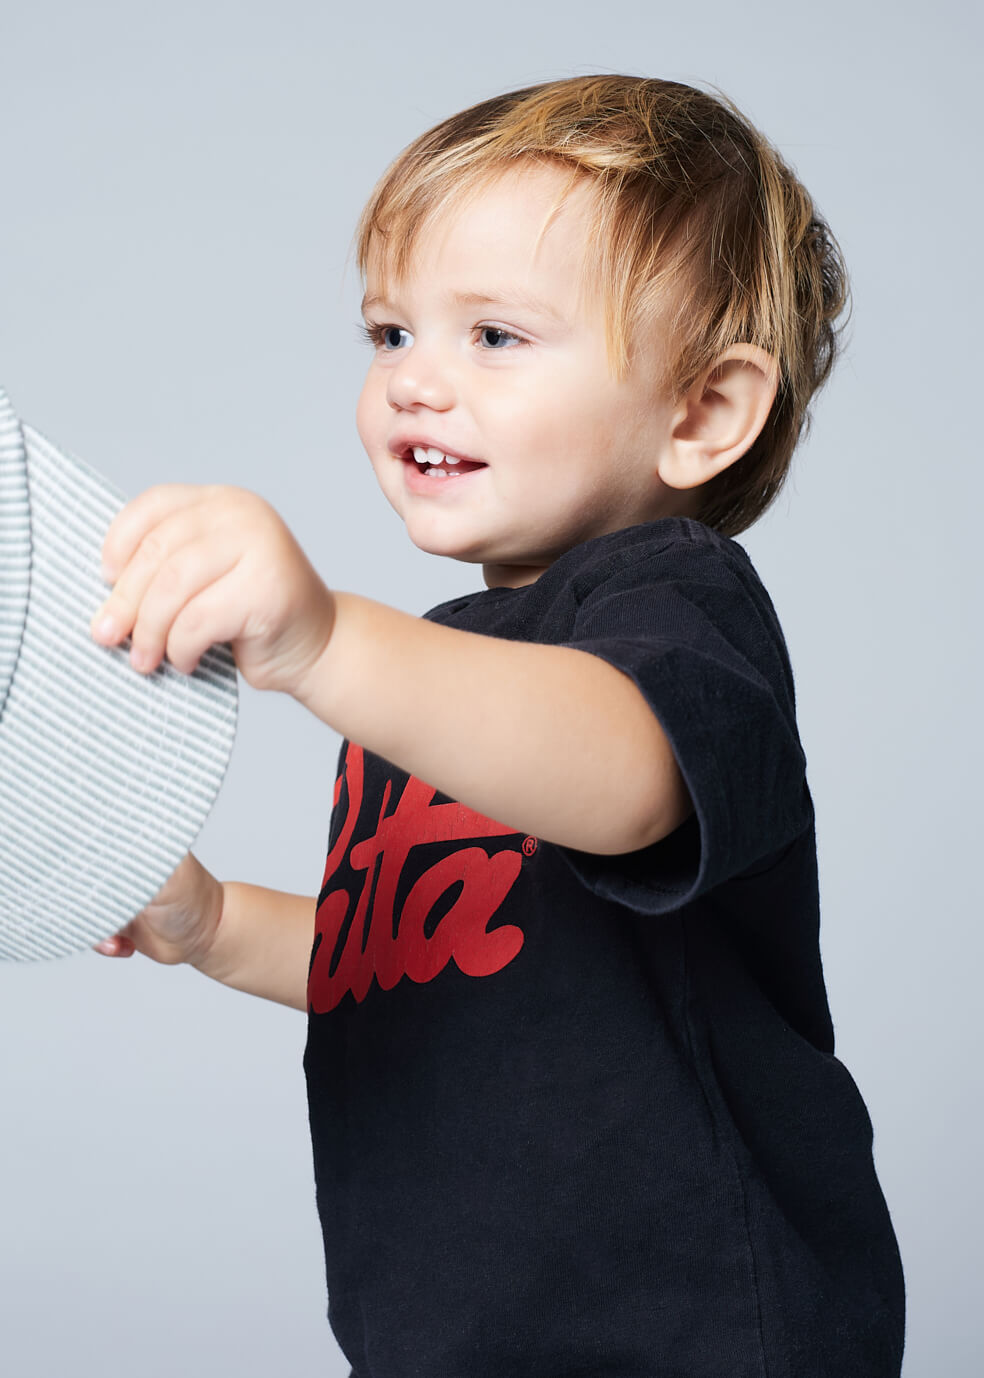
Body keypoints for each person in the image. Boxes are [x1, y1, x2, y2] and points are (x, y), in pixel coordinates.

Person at [89, 75, 906, 1376]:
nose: (415, 381)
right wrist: (217, 924)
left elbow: (623, 780)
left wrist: (327, 642)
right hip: (456, 1331)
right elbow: (415, 960)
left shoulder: (679, 604)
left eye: (495, 336)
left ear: (701, 413)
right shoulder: (442, 664)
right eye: (391, 332)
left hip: (683, 1325)